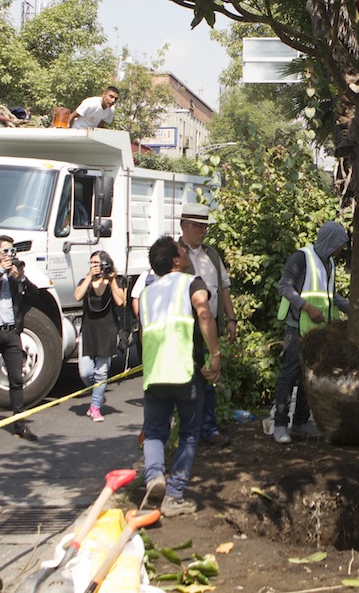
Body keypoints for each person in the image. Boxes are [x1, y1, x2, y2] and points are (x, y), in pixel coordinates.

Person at [140, 235, 220, 517]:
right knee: (188, 433)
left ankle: (154, 478)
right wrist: (215, 354)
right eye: (182, 250)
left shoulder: (147, 294)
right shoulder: (191, 282)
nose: (186, 251)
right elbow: (204, 313)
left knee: (153, 433)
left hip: (154, 374)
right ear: (176, 260)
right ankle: (174, 495)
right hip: (186, 372)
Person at [273, 220, 349, 444]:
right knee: (289, 375)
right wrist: (307, 308)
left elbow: (331, 295)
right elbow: (284, 287)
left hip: (319, 332)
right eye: (339, 244)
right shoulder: (302, 258)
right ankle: (279, 423)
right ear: (329, 242)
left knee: (309, 376)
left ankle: (300, 422)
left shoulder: (330, 263)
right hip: (298, 328)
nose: (341, 249)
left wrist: (354, 309)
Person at [179, 203, 237, 447]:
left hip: (210, 325)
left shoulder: (211, 254)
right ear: (184, 226)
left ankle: (208, 430)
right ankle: (188, 431)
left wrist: (232, 318)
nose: (203, 231)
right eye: (198, 226)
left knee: (210, 376)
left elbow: (223, 287)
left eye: (205, 227)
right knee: (188, 379)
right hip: (186, 327)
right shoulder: (175, 255)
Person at [0, 235, 40, 440]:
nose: (10, 255)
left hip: (12, 332)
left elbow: (34, 295)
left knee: (16, 379)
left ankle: (19, 423)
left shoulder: (14, 275)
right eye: (6, 251)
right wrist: (0, 270)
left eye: (12, 251)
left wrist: (21, 278)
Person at [73, 250, 126, 421]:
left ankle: (95, 407)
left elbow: (120, 302)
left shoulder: (115, 281)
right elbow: (77, 296)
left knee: (102, 372)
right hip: (88, 330)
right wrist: (90, 276)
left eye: (97, 263)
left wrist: (111, 280)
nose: (94, 266)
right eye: (92, 263)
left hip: (107, 330)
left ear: (106, 263)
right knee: (85, 372)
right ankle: (99, 392)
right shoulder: (86, 281)